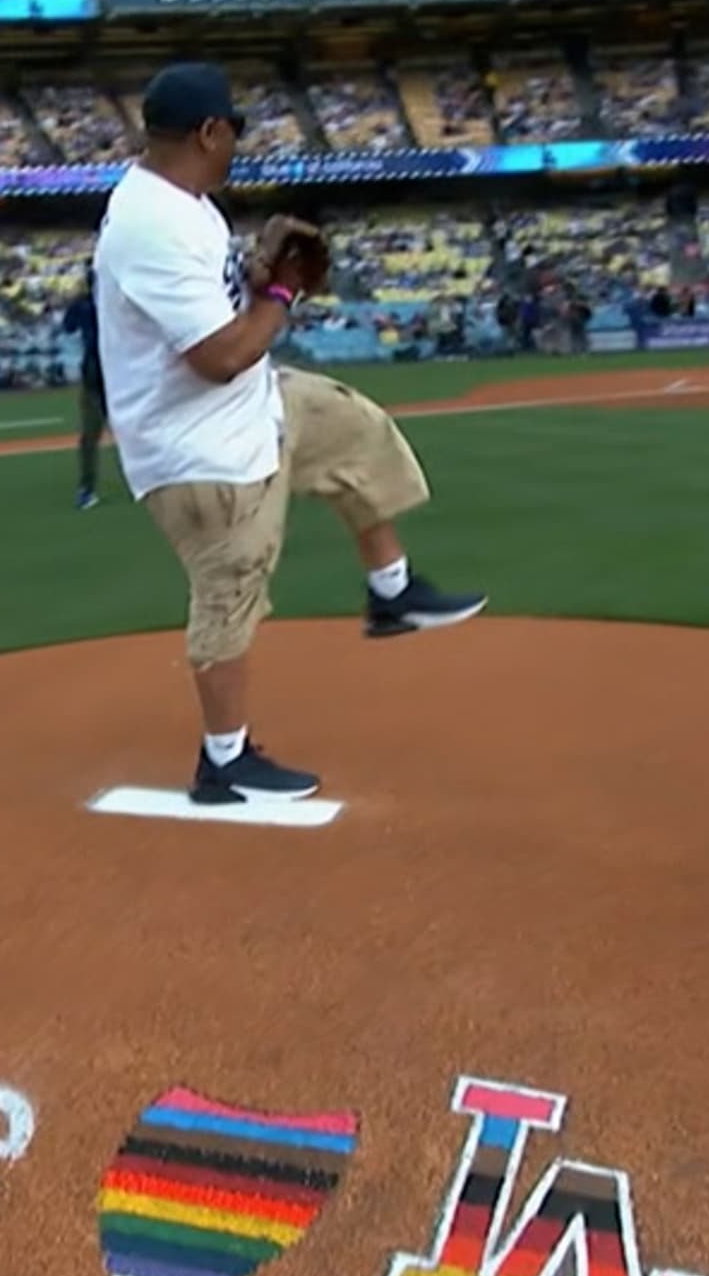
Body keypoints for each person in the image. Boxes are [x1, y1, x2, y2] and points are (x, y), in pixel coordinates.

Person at [92, 62, 486, 807]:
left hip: (249, 404)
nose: (237, 142)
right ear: (209, 131)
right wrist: (282, 291)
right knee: (232, 592)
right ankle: (224, 762)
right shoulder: (154, 224)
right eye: (232, 129)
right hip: (196, 448)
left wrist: (258, 271)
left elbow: (220, 319)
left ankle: (392, 593)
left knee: (355, 429)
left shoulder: (184, 202)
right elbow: (220, 356)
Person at [64, 282, 105, 509]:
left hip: (105, 372)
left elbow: (68, 326)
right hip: (111, 372)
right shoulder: (103, 302)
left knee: (89, 436)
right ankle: (86, 488)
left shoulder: (84, 304)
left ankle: (87, 488)